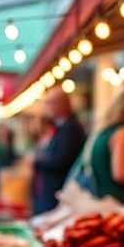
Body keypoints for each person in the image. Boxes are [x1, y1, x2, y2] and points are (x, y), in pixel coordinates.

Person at [32, 87, 87, 215]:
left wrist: (36, 161)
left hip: (57, 194)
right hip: (49, 193)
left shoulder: (70, 128)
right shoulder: (60, 127)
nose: (47, 106)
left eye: (50, 102)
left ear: (62, 104)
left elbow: (61, 161)